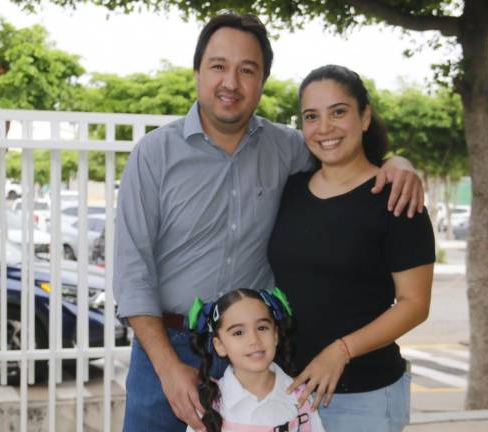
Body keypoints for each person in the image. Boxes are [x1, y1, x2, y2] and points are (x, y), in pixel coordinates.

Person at [113, 12, 425, 432]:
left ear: (262, 81)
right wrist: (168, 367)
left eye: (247, 70)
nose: (231, 82)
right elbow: (132, 274)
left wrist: (398, 164)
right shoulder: (153, 155)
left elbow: (344, 154)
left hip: (258, 355)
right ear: (197, 72)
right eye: (218, 66)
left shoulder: (288, 148)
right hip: (168, 351)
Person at [267, 65, 436, 431]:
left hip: (364, 396)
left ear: (365, 116)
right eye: (312, 116)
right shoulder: (291, 190)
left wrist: (340, 351)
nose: (324, 128)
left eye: (338, 111)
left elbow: (414, 305)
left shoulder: (397, 198)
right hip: (288, 391)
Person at [185, 288, 325, 432]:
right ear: (219, 345)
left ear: (275, 335)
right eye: (238, 332)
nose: (254, 340)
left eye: (262, 328)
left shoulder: (300, 398)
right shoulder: (208, 404)